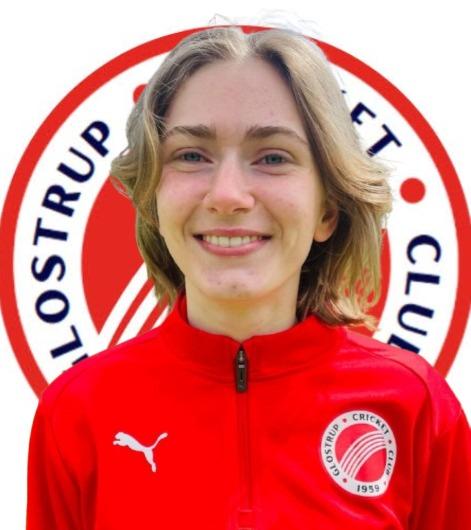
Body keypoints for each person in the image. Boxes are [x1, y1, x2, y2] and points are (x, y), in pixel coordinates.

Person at [26, 26, 470, 529]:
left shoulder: (417, 406)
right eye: (191, 155)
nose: (228, 195)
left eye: (273, 157)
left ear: (328, 209)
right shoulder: (77, 412)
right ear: (152, 200)